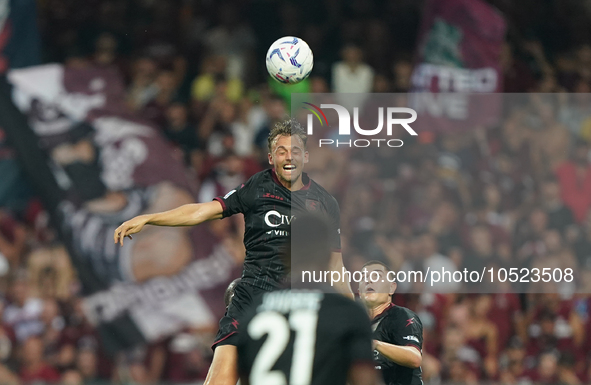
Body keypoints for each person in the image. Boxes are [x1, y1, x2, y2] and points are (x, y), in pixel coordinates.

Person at [114, 119, 351, 385]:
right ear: (271, 157)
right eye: (281, 151)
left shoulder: (324, 203)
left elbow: (336, 268)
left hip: (297, 302)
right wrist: (150, 218)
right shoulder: (256, 187)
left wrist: (360, 318)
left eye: (295, 151)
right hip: (251, 297)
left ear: (305, 156)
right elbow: (201, 211)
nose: (288, 157)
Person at [236, 214, 377, 385]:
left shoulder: (254, 310)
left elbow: (244, 379)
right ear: (327, 255)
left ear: (284, 254)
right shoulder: (347, 312)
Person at [359, 261, 423, 385]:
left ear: (391, 288)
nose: (368, 281)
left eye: (376, 276)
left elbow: (414, 358)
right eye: (363, 277)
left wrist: (375, 345)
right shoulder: (357, 324)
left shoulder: (401, 316)